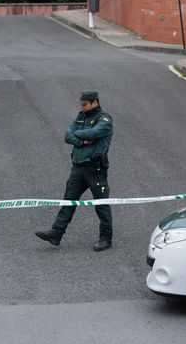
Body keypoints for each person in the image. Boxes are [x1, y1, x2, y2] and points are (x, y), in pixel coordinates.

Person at [36, 91, 114, 251]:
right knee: (68, 201)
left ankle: (106, 238)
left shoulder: (105, 119)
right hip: (78, 168)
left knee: (101, 204)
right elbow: (67, 135)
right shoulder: (81, 117)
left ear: (95, 103)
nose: (82, 107)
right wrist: (83, 140)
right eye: (81, 104)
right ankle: (56, 234)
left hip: (95, 169)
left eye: (85, 104)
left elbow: (94, 132)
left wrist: (77, 135)